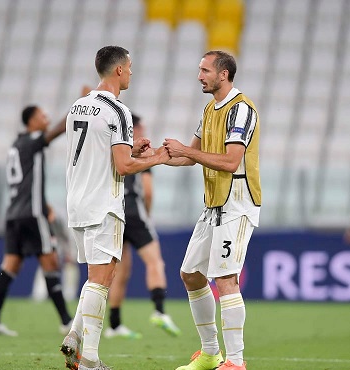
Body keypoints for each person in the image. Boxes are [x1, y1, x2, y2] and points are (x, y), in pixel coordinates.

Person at [60, 45, 170, 370]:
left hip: (77, 202)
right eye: (130, 67)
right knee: (102, 278)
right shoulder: (117, 110)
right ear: (119, 70)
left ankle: (74, 336)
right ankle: (91, 360)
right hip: (103, 203)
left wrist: (130, 146)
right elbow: (122, 167)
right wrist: (159, 158)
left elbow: (99, 151)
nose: (132, 73)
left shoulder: (78, 107)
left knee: (96, 276)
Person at [163, 50, 261, 370]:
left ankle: (235, 362)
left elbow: (231, 162)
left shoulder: (241, 110)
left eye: (205, 70)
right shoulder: (209, 109)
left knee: (226, 278)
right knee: (190, 274)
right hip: (213, 205)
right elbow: (189, 155)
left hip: (236, 205)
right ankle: (210, 354)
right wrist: (152, 156)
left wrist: (185, 151)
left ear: (223, 74)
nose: (199, 75)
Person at [0, 106, 73, 337]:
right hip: (32, 216)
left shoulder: (17, 145)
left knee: (9, 267)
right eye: (43, 116)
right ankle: (66, 322)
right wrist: (80, 108)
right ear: (32, 121)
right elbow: (58, 130)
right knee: (51, 263)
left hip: (13, 215)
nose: (47, 118)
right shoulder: (32, 141)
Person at [104, 113, 181, 339]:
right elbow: (147, 190)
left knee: (120, 272)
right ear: (134, 129)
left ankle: (115, 324)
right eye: (141, 128)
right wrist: (147, 214)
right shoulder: (142, 153)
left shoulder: (116, 149)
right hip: (136, 214)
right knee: (155, 261)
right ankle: (159, 310)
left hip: (114, 213)